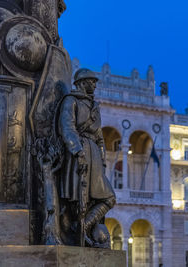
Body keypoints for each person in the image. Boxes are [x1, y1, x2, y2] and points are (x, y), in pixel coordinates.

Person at [58, 68, 115, 247]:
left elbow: (99, 137)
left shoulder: (94, 106)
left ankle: (84, 227)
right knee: (79, 201)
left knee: (108, 198)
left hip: (94, 157)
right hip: (79, 155)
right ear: (82, 83)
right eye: (92, 81)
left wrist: (103, 160)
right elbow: (67, 128)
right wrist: (77, 151)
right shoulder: (71, 101)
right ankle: (76, 230)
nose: (95, 85)